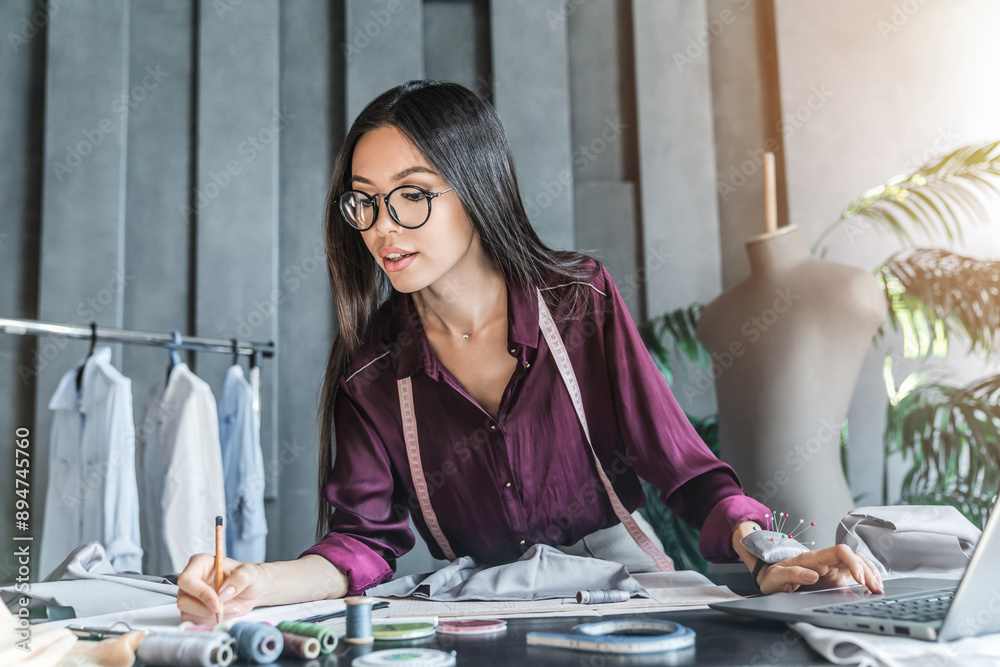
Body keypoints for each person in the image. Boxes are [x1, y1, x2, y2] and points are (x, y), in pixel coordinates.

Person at [177, 81, 882, 624]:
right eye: (364, 202)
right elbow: (363, 542)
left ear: (476, 190)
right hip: (482, 608)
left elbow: (689, 475)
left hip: (629, 594)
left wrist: (769, 549)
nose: (382, 228)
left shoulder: (581, 302)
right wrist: (256, 581)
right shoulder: (371, 367)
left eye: (411, 197)